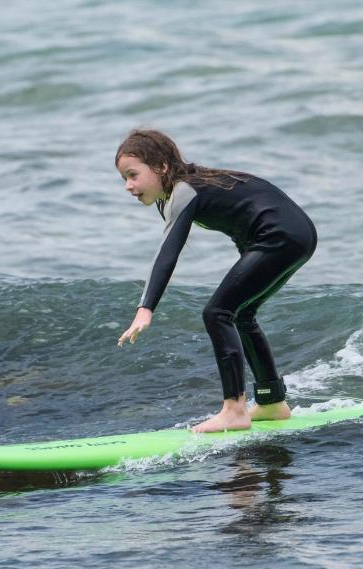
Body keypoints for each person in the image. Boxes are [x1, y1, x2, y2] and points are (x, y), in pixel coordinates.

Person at [115, 128, 317, 433]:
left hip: (279, 237)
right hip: (294, 234)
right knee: (241, 313)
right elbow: (244, 216)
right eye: (124, 179)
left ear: (161, 167)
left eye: (133, 175)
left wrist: (146, 307)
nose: (128, 186)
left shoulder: (184, 190)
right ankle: (272, 402)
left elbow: (167, 253)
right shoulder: (189, 186)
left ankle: (234, 409)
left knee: (217, 312)